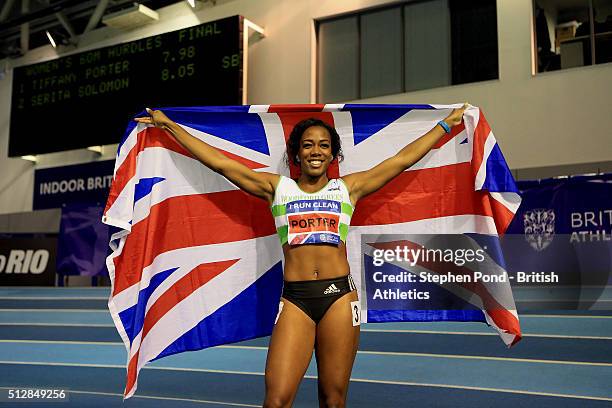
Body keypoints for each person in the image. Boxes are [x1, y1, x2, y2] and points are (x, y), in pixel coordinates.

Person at [135, 103, 467, 408]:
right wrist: (170, 127)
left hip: (340, 298)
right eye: (308, 144)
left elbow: (401, 160)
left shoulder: (347, 188)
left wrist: (445, 125)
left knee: (333, 400)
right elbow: (220, 163)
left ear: (333, 153)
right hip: (295, 300)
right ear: (296, 153)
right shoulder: (277, 188)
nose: (316, 151)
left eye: (324, 145)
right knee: (277, 399)